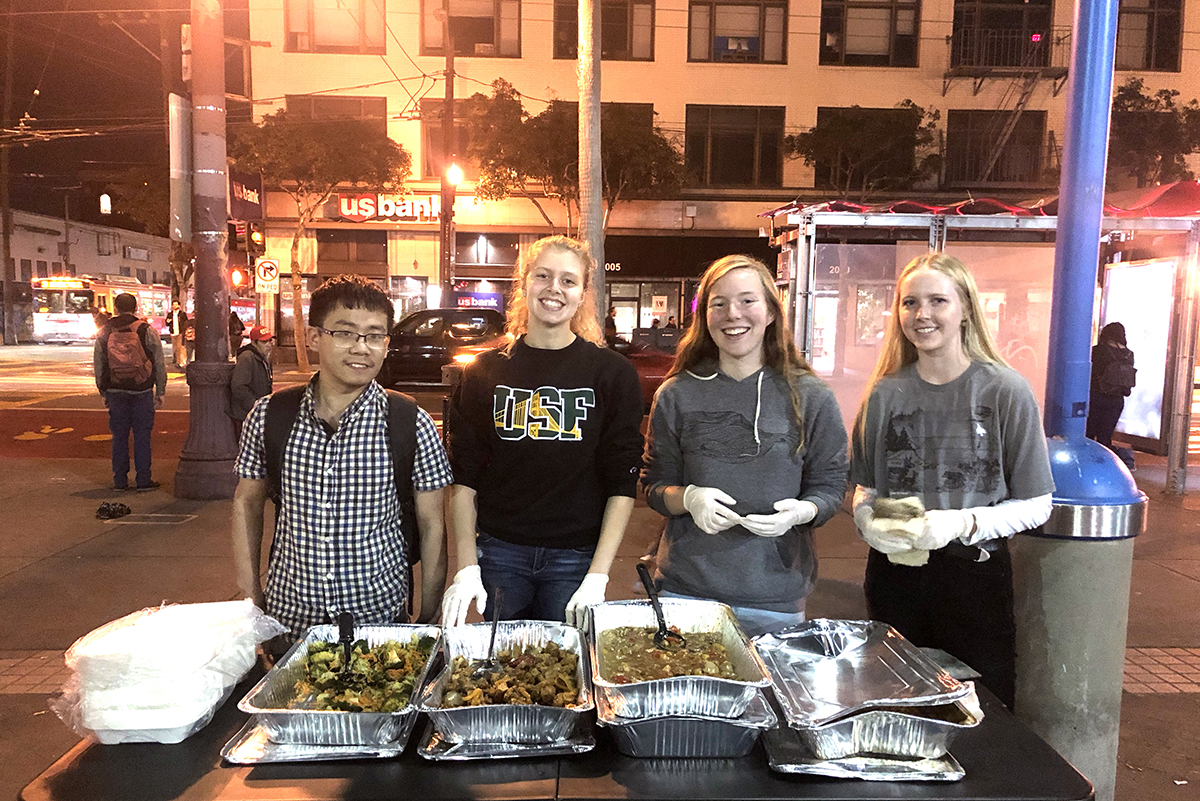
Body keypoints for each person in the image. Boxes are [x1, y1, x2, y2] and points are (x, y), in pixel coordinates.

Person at [850, 252, 1054, 709]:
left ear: (965, 307)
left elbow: (1038, 502)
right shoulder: (884, 394)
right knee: (895, 707)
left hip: (975, 579)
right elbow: (868, 488)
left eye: (937, 300)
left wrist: (961, 523)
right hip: (895, 577)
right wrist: (867, 519)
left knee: (982, 714)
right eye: (909, 303)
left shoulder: (1005, 391)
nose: (922, 315)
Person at [231, 275, 453, 638]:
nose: (361, 348)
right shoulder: (270, 415)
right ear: (315, 336)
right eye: (345, 333)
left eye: (375, 335)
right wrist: (251, 599)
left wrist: (430, 609)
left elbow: (432, 524)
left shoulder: (410, 422)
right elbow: (247, 504)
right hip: (290, 619)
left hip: (380, 623)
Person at [641, 255, 849, 638]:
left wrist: (802, 511)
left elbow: (831, 485)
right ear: (704, 316)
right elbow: (654, 486)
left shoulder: (811, 396)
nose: (732, 314)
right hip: (685, 594)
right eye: (718, 303)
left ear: (771, 311)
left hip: (775, 599)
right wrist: (688, 498)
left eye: (747, 301)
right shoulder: (677, 395)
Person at [442, 236, 645, 627]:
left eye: (568, 281)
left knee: (566, 675)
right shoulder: (484, 372)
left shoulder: (611, 374)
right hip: (501, 552)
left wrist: (598, 575)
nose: (554, 288)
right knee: (498, 673)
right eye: (543, 276)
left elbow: (622, 482)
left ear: (583, 292)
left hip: (576, 557)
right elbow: (464, 479)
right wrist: (466, 566)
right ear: (523, 283)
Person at [93, 292, 167, 492]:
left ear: (115, 308)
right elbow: (159, 362)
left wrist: (103, 390)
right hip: (141, 389)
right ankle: (143, 479)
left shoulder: (105, 331)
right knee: (142, 436)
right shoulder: (145, 330)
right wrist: (160, 390)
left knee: (119, 436)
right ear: (135, 308)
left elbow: (99, 363)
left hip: (116, 390)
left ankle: (120, 480)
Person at [1087, 322, 1136, 453]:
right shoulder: (1129, 355)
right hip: (1116, 400)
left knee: (1089, 435)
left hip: (1096, 397)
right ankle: (1103, 464)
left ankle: (1088, 465)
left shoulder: (1098, 351)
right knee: (1105, 437)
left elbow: (1090, 373)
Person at [229, 325, 274, 426]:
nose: (269, 344)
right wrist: (254, 406)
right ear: (255, 343)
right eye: (264, 342)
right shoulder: (247, 357)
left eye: (270, 340)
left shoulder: (265, 358)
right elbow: (239, 386)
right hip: (245, 414)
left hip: (257, 411)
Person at [168, 300, 188, 370]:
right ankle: (175, 360)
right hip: (173, 332)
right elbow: (167, 323)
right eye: (173, 304)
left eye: (176, 304)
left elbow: (186, 322)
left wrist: (184, 330)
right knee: (175, 348)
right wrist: (168, 322)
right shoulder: (170, 314)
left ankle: (179, 362)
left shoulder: (182, 314)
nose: (175, 306)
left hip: (180, 332)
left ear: (179, 306)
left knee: (179, 347)